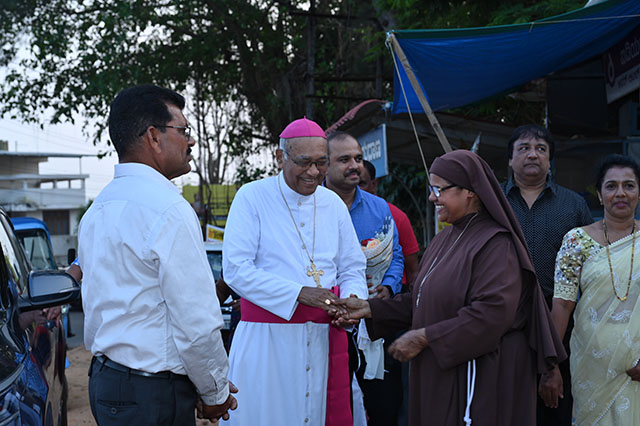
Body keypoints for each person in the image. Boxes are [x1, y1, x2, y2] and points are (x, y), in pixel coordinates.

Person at [334, 149, 566, 426]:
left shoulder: (497, 244)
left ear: (470, 192)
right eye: (431, 189)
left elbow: (491, 314)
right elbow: (423, 298)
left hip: (482, 374)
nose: (432, 197)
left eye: (439, 189)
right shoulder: (445, 237)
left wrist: (425, 337)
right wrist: (369, 309)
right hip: (444, 368)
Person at [78, 84, 236, 425]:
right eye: (184, 131)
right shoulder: (168, 210)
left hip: (107, 382)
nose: (191, 141)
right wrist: (215, 393)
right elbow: (196, 322)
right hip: (152, 393)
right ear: (153, 137)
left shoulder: (98, 209)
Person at [222, 118, 368, 426]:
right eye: (304, 162)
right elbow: (236, 270)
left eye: (321, 163)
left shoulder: (332, 203)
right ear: (280, 157)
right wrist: (298, 293)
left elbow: (352, 266)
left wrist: (352, 299)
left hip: (326, 337)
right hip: (267, 341)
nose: (314, 172)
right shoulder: (252, 197)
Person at [501, 124, 592, 425]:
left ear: (550, 160)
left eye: (541, 149)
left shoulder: (574, 205)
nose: (533, 155)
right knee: (508, 408)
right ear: (510, 159)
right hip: (503, 323)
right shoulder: (493, 202)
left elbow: (591, 266)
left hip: (560, 323)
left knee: (555, 408)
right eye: (524, 148)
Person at [543, 154, 640, 425]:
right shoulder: (577, 240)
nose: (620, 193)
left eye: (629, 185)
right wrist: (550, 365)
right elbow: (562, 304)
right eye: (611, 186)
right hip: (591, 364)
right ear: (599, 194)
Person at [324, 132, 404, 426]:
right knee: (332, 404)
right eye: (344, 159)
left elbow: (396, 255)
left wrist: (389, 287)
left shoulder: (379, 207)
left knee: (384, 405)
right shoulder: (310, 206)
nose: (354, 166)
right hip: (326, 323)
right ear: (325, 164)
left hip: (373, 321)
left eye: (358, 158)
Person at [359, 159, 420, 287]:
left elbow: (412, 269)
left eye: (362, 184)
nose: (357, 190)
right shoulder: (336, 213)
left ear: (374, 184)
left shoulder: (396, 216)